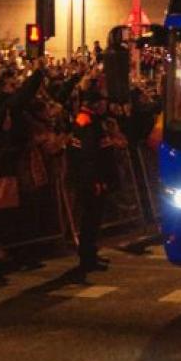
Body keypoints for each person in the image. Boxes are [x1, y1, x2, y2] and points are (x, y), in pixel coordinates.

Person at [68, 88, 123, 273]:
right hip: (92, 181)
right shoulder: (88, 122)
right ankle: (87, 258)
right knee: (90, 219)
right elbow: (89, 156)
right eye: (103, 101)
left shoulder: (92, 120)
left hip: (93, 178)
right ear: (96, 103)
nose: (105, 105)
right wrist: (96, 180)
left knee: (93, 219)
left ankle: (91, 254)